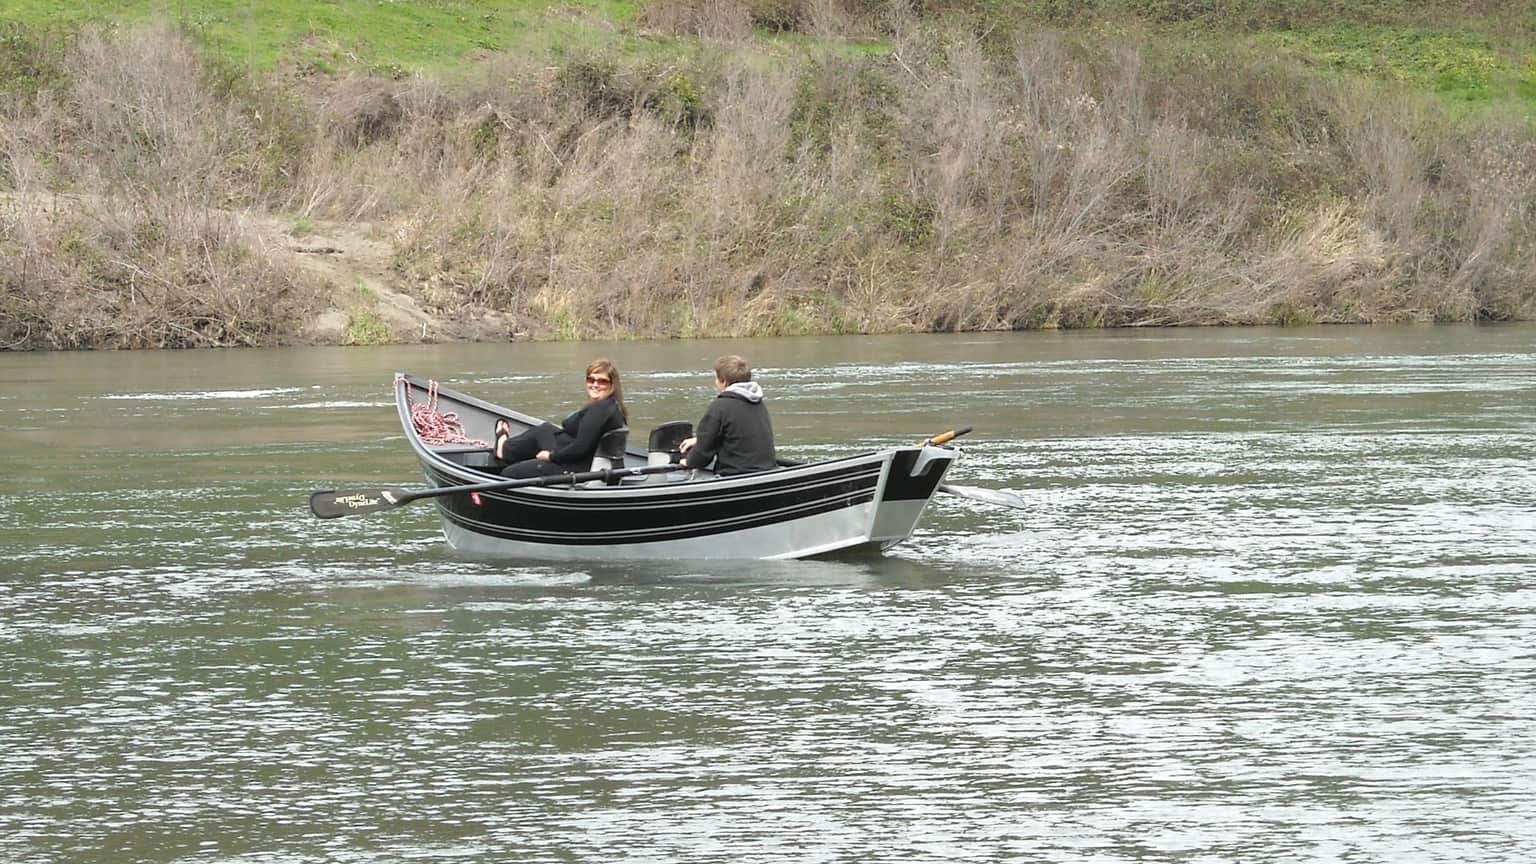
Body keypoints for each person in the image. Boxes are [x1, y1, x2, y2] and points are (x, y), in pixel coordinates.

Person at [494, 358, 627, 478]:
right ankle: (505, 449)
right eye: (591, 380)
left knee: (508, 473)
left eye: (602, 381)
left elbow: (580, 448)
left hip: (574, 467)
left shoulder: (600, 409)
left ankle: (504, 448)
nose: (595, 385)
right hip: (577, 456)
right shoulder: (610, 405)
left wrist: (550, 456)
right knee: (544, 430)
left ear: (612, 385)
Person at [678, 354, 776, 476]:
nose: (715, 383)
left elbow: (702, 457)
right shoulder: (758, 402)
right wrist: (699, 440)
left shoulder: (720, 407)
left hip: (735, 475)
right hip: (766, 472)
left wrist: (688, 461)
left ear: (723, 381)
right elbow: (738, 433)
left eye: (716, 379)